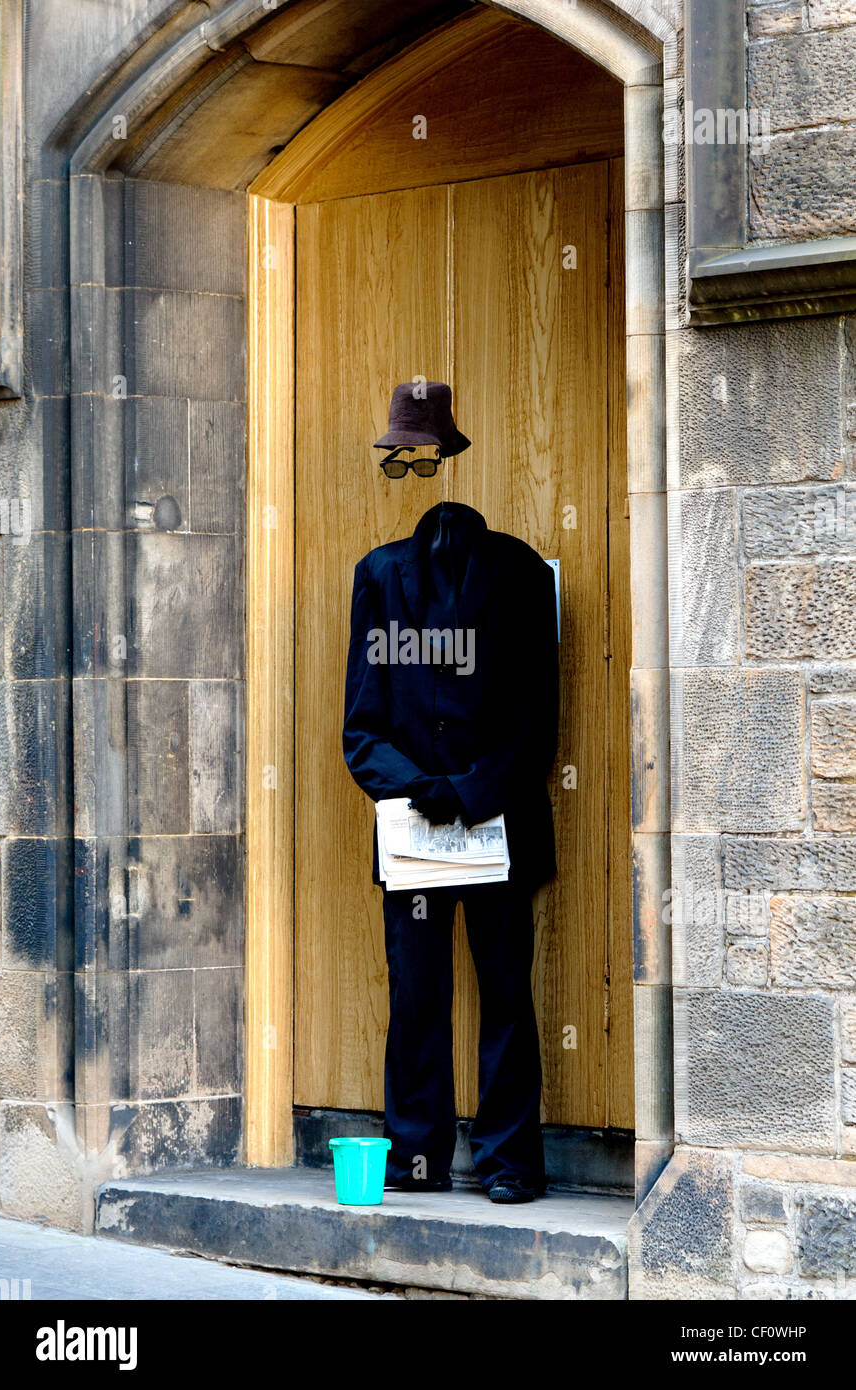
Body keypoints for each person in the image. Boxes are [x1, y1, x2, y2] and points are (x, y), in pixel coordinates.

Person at [343, 382, 559, 1203]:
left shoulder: (522, 575)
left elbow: (539, 724)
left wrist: (466, 792)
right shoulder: (379, 576)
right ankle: (417, 1161)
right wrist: (421, 790)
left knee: (508, 1001)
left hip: (497, 829)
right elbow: (361, 726)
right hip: (413, 836)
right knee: (416, 1003)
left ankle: (512, 1164)